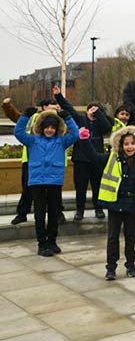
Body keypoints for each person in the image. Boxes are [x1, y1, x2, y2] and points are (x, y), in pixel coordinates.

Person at [8, 98, 79, 256]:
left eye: (52, 127)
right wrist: (25, 116)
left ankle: (52, 241)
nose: (49, 130)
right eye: (46, 127)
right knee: (39, 214)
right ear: (41, 127)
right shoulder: (32, 141)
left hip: (54, 181)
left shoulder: (61, 142)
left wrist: (67, 117)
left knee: (53, 213)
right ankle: (42, 243)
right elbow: (18, 132)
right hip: (37, 181)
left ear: (56, 128)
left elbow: (75, 134)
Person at [98, 125, 135, 280]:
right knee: (113, 237)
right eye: (126, 144)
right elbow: (94, 157)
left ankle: (131, 264)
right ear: (120, 145)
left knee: (130, 236)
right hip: (115, 202)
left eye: (132, 144)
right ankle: (111, 267)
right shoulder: (113, 157)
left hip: (131, 204)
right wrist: (84, 140)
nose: (130, 147)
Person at [54, 91, 112, 221]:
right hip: (81, 159)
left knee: (97, 185)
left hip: (96, 159)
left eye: (97, 110)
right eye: (91, 109)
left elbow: (108, 127)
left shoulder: (101, 123)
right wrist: (58, 96)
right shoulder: (80, 120)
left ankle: (99, 208)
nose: (93, 111)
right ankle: (80, 210)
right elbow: (69, 108)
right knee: (80, 186)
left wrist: (98, 114)